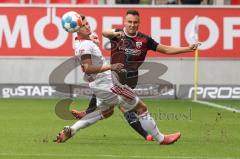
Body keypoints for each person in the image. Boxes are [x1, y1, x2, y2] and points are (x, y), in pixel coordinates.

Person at [71, 9, 199, 141]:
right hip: (112, 80)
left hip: (129, 80)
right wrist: (114, 33)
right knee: (133, 108)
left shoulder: (144, 40)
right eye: (129, 22)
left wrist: (187, 48)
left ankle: (78, 122)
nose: (132, 25)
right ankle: (153, 136)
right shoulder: (117, 34)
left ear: (139, 23)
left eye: (135, 22)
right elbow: (105, 32)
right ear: (125, 22)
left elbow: (165, 49)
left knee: (110, 111)